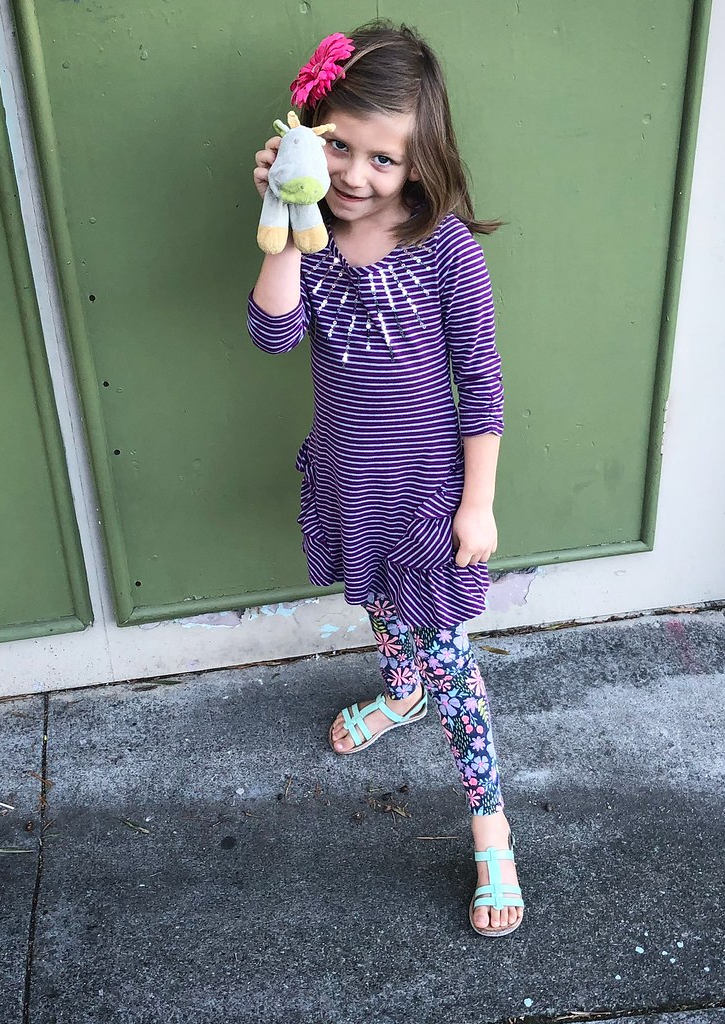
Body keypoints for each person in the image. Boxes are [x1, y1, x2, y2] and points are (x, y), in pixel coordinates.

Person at [247, 21, 524, 938]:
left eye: (384, 159)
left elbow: (481, 383)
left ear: (419, 163)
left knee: (452, 661)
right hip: (349, 479)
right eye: (339, 147)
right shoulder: (314, 237)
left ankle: (491, 830)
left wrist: (477, 504)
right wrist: (285, 221)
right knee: (376, 603)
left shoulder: (445, 250)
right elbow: (273, 334)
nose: (356, 175)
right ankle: (399, 691)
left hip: (426, 496)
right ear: (307, 134)